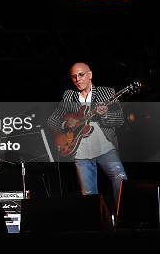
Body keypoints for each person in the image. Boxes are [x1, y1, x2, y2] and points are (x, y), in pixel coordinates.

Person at [48, 62, 127, 209]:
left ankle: (124, 221)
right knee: (88, 194)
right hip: (80, 151)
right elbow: (52, 120)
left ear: (90, 75)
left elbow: (120, 119)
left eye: (81, 74)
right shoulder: (68, 95)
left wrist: (105, 115)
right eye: (74, 76)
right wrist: (65, 125)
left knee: (121, 182)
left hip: (105, 148)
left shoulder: (107, 93)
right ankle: (96, 226)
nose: (77, 79)